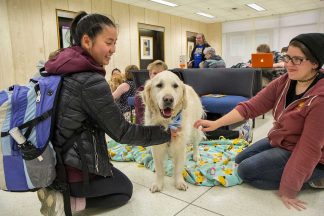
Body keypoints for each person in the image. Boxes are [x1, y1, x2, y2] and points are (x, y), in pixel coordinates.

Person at [38, 11, 174, 215]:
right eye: (109, 42)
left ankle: (62, 189)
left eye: (115, 42)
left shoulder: (58, 68)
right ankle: (66, 200)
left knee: (112, 174)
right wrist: (166, 134)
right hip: (74, 169)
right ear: (86, 41)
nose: (113, 49)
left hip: (54, 162)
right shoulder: (90, 80)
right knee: (124, 190)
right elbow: (123, 132)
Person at [194, 33, 324, 211]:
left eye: (297, 60)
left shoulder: (320, 100)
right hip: (283, 140)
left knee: (246, 171)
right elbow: (250, 107)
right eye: (287, 58)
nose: (288, 64)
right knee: (240, 159)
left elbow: (308, 149)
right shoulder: (285, 81)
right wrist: (216, 124)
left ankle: (317, 177)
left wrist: (290, 189)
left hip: (311, 155)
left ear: (315, 63)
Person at [134, 60, 168, 125]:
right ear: (150, 74)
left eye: (161, 73)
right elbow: (142, 118)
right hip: (146, 128)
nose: (158, 76)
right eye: (155, 73)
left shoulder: (168, 93)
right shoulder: (141, 91)